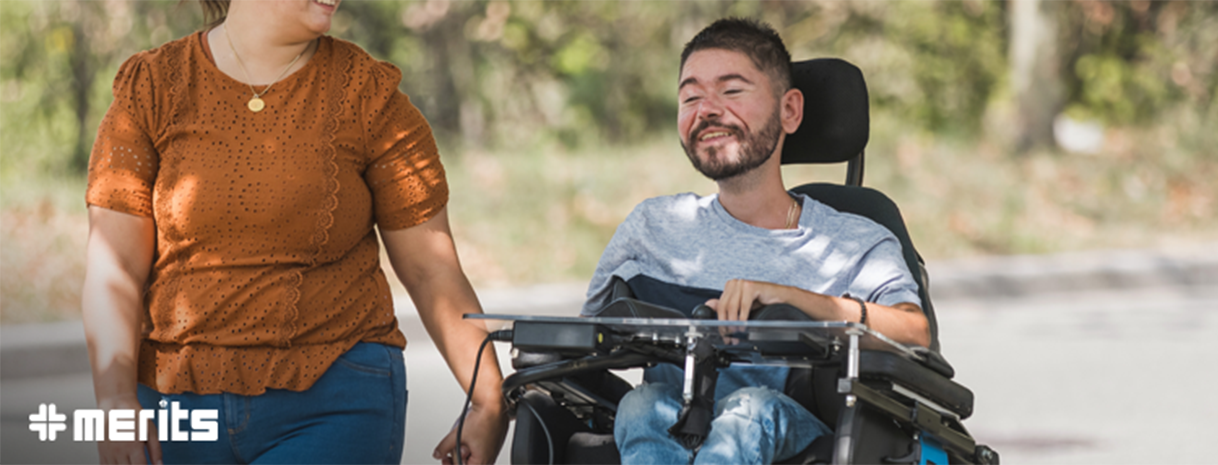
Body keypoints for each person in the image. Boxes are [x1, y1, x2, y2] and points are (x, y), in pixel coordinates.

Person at [80, 1, 504, 464]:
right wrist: (114, 402)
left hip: (334, 404)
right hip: (174, 406)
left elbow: (431, 270)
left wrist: (488, 399)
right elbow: (115, 268)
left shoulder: (369, 95)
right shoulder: (152, 87)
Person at [582, 18, 932, 464]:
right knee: (641, 404)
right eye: (690, 97)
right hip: (675, 425)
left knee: (751, 412)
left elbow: (915, 332)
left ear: (790, 111)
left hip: (801, 435)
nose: (707, 110)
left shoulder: (855, 238)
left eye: (731, 90)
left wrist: (793, 298)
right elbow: (582, 344)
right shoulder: (652, 226)